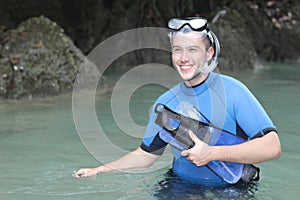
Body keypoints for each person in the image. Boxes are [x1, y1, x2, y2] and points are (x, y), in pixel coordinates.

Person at [72, 17, 281, 186]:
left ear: (209, 54)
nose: (183, 58)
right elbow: (146, 155)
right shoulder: (166, 102)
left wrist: (213, 153)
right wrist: (99, 170)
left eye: (192, 49)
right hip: (178, 187)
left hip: (230, 189)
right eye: (177, 49)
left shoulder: (233, 92)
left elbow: (272, 146)